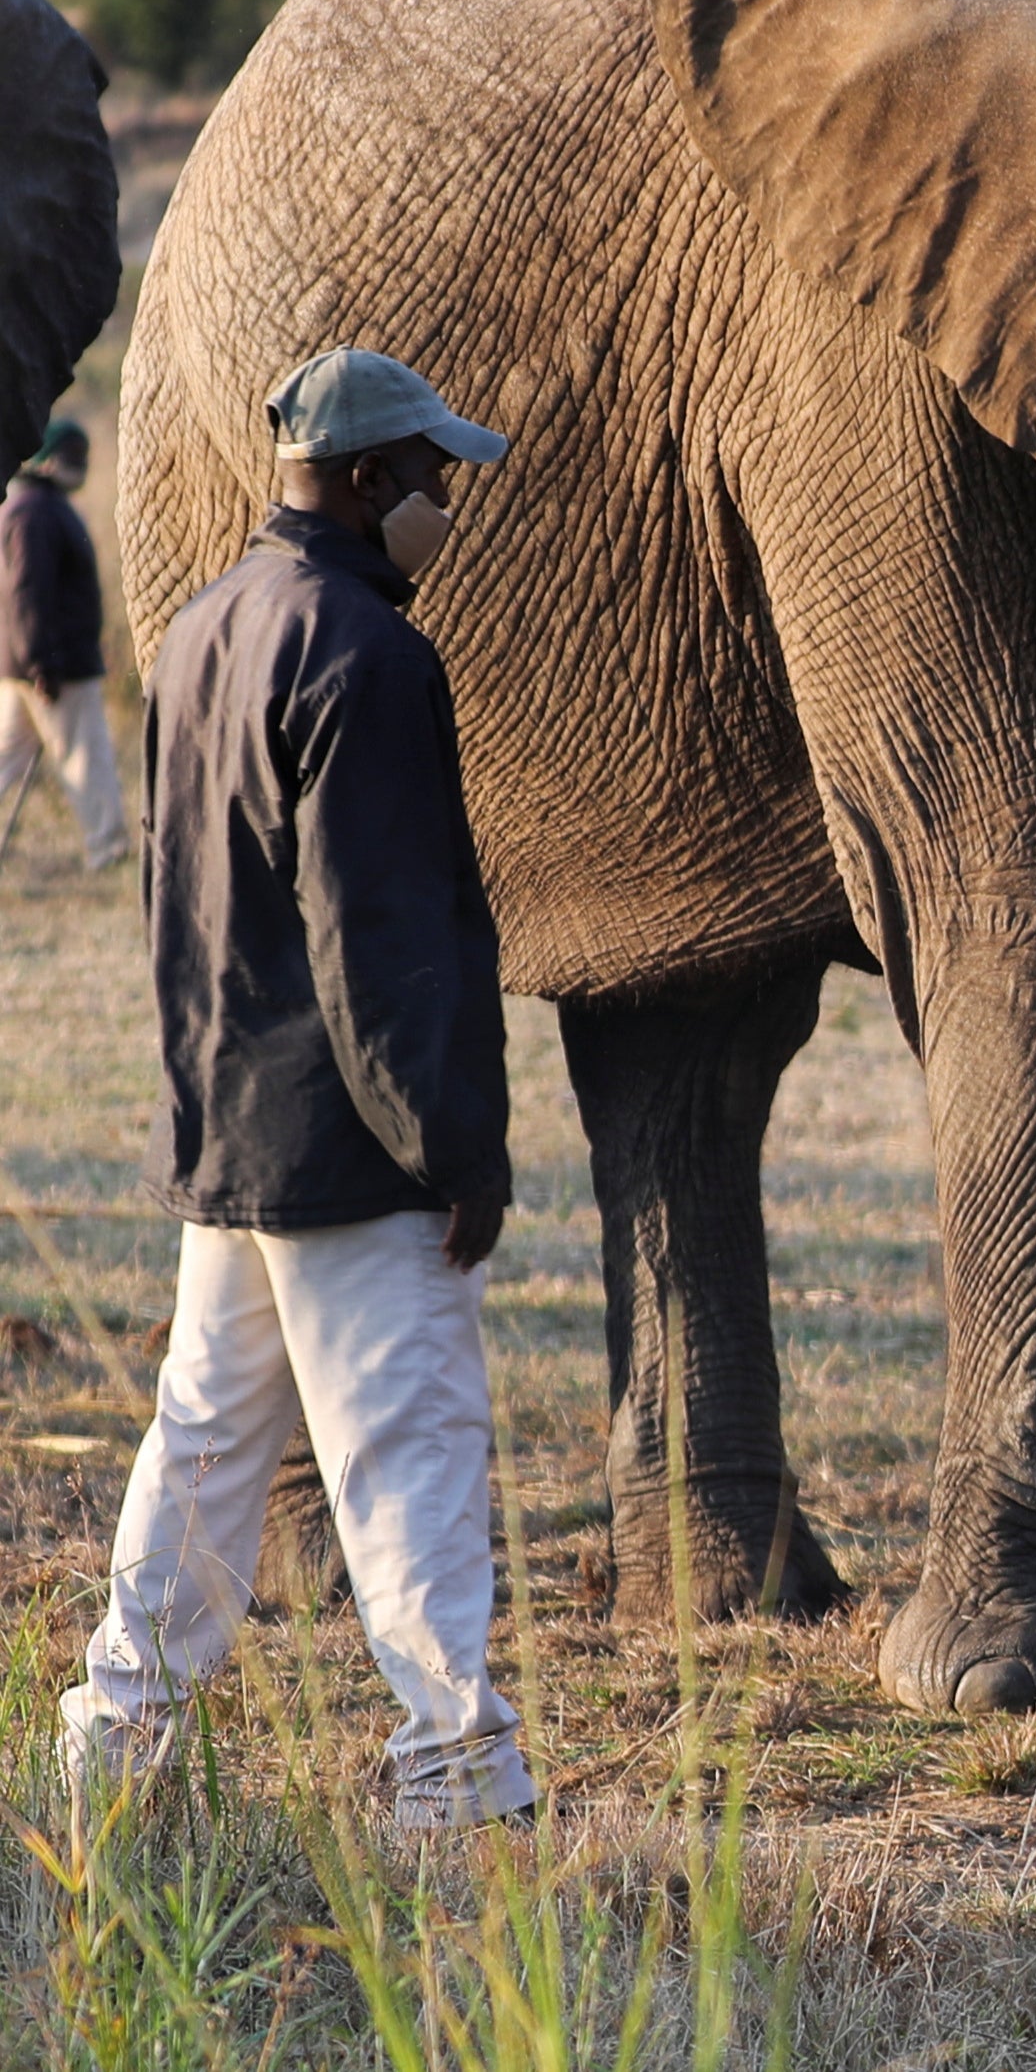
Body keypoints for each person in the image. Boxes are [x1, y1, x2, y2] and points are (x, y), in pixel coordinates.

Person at [63, 348, 533, 1832]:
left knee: (201, 1454)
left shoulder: (202, 627)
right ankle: (458, 1786)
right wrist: (454, 1146)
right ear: (373, 479)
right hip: (351, 1149)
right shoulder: (372, 653)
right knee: (413, 1458)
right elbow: (378, 940)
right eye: (434, 478)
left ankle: (110, 1752)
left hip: (227, 1136)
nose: (447, 504)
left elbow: (181, 903)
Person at [0, 417, 129, 868]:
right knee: (85, 758)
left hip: (28, 665)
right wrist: (43, 666)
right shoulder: (35, 512)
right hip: (54, 668)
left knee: (5, 756)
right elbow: (27, 594)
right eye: (74, 458)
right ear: (48, 461)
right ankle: (109, 849)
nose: (82, 467)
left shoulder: (33, 506)